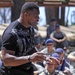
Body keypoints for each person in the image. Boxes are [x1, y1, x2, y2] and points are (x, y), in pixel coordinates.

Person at [0, 2, 47, 75]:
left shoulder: (30, 29)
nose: (38, 19)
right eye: (35, 16)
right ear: (26, 15)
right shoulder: (11, 33)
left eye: (38, 16)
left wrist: (45, 58)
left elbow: (30, 48)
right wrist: (29, 58)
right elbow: (6, 60)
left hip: (28, 71)